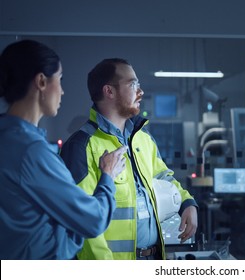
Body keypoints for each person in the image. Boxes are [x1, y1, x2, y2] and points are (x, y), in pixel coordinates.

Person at [60, 58, 198, 260]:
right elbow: (82, 221)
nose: (140, 92)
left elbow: (164, 177)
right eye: (133, 84)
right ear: (109, 91)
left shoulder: (142, 138)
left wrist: (187, 202)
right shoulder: (82, 146)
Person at [0, 40, 127, 260]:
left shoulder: (8, 139)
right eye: (60, 79)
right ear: (41, 81)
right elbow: (93, 220)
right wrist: (107, 177)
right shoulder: (31, 152)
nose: (62, 91)